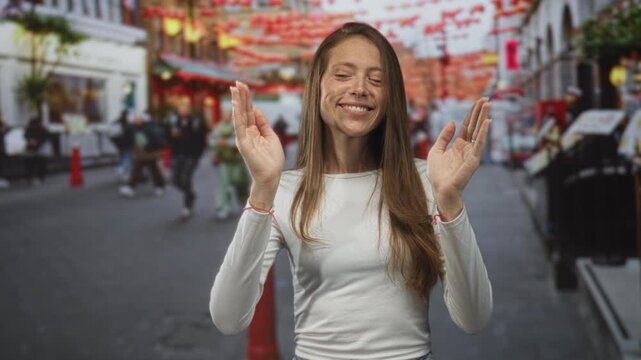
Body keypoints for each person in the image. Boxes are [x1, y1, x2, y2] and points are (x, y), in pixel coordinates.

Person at [209, 22, 492, 360]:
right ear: (317, 87)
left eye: (376, 79)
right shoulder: (284, 190)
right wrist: (262, 192)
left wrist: (450, 202)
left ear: (391, 97)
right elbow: (228, 319)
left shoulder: (426, 181)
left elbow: (474, 319)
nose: (360, 88)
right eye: (343, 75)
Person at [169, 100, 208, 219]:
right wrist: (172, 137)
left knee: (186, 178)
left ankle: (187, 205)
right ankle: (190, 194)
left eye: (185, 108)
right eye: (181, 108)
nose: (183, 111)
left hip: (191, 155)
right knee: (175, 179)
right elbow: (167, 135)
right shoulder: (174, 121)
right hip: (177, 154)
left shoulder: (196, 122)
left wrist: (198, 153)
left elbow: (202, 138)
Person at [211, 110, 250, 219]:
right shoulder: (218, 128)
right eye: (224, 115)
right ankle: (223, 207)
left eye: (228, 115)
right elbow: (211, 141)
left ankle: (244, 204)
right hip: (224, 161)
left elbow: (243, 140)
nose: (226, 117)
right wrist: (218, 144)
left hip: (238, 161)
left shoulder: (238, 127)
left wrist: (228, 142)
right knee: (224, 185)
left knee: (241, 183)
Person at [119, 112, 166, 197]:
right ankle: (159, 186)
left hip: (149, 151)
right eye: (135, 119)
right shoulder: (136, 127)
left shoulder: (149, 127)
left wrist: (149, 147)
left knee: (143, 168)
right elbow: (128, 134)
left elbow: (155, 139)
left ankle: (131, 187)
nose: (136, 120)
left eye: (138, 118)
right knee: (151, 169)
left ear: (143, 119)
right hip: (142, 151)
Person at [109, 109, 135, 182]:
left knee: (122, 156)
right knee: (128, 157)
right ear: (127, 115)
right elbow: (131, 133)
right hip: (128, 143)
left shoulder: (116, 122)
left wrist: (115, 142)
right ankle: (122, 169)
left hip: (119, 144)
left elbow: (111, 133)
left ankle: (122, 170)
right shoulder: (128, 123)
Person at [23, 117, 50, 186]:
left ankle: (34, 177)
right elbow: (26, 136)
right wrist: (31, 141)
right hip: (33, 149)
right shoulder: (39, 129)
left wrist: (35, 142)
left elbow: (45, 137)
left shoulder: (31, 129)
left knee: (34, 164)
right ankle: (36, 177)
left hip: (38, 149)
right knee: (34, 163)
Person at [0, 111, 9, 188]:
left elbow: (7, 129)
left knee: (2, 164)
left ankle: (2, 179)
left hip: (2, 148)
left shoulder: (2, 123)